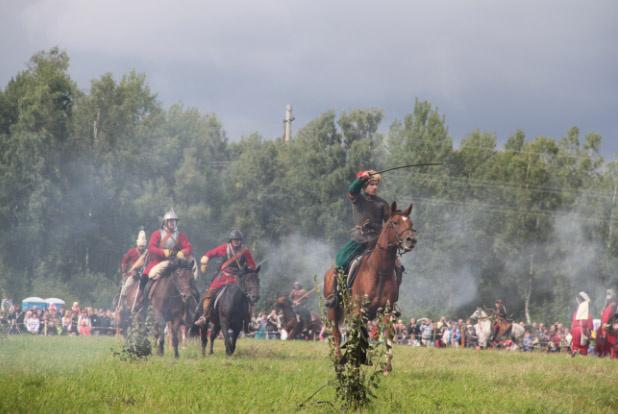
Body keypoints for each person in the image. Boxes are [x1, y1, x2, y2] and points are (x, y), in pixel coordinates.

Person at [325, 170, 400, 307]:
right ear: (365, 185)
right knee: (341, 260)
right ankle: (337, 294)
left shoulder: (383, 204)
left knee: (398, 266)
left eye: (376, 184)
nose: (375, 187)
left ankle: (393, 300)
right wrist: (361, 179)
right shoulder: (358, 198)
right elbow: (352, 190)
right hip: (360, 239)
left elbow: (390, 224)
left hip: (377, 242)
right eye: (372, 184)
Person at [134, 208, 193, 311]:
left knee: (189, 275)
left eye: (174, 221)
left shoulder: (180, 235)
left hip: (176, 262)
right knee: (145, 277)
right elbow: (151, 248)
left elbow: (188, 247)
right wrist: (164, 252)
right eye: (170, 221)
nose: (172, 223)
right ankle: (141, 300)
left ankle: (194, 302)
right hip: (158, 262)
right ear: (165, 222)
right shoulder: (157, 234)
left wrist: (182, 252)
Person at [194, 229, 256, 327]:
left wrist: (247, 269)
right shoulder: (224, 248)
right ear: (231, 240)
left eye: (238, 239)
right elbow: (211, 253)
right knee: (210, 292)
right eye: (234, 239)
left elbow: (252, 264)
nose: (236, 241)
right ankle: (204, 316)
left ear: (241, 240)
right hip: (223, 276)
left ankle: (249, 321)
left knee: (249, 295)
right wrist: (206, 258)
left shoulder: (245, 251)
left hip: (238, 278)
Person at [570, 291, 593, 356]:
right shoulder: (588, 315)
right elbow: (590, 329)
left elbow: (572, 326)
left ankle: (575, 354)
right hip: (583, 332)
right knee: (583, 349)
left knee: (575, 347)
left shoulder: (575, 314)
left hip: (575, 331)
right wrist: (592, 338)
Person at [597, 288, 617, 358]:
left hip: (610, 325)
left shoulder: (614, 304)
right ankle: (605, 355)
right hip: (604, 326)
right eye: (607, 294)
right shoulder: (606, 306)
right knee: (603, 342)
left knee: (612, 342)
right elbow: (603, 316)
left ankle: (613, 356)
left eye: (609, 294)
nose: (607, 296)